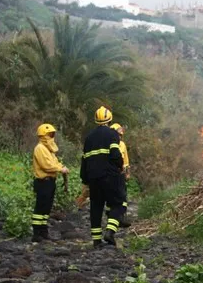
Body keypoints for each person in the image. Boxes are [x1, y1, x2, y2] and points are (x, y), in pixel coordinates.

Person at [80, 106, 125, 247]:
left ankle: (96, 240)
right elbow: (116, 155)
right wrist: (120, 166)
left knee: (96, 207)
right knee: (117, 204)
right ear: (110, 119)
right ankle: (110, 232)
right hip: (110, 176)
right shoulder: (112, 135)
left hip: (93, 178)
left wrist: (85, 179)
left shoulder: (88, 138)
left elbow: (84, 161)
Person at [31, 124, 69, 242]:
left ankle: (43, 232)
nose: (52, 137)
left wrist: (62, 167)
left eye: (53, 134)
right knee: (40, 208)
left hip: (50, 182)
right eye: (49, 134)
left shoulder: (49, 149)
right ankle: (36, 233)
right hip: (43, 182)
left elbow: (55, 162)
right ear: (43, 135)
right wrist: (60, 169)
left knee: (46, 208)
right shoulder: (40, 148)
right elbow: (46, 166)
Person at [110, 123, 131, 228]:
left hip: (120, 173)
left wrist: (127, 173)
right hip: (110, 173)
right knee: (113, 196)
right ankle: (112, 217)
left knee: (123, 195)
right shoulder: (108, 143)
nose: (119, 137)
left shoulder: (122, 145)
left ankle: (121, 216)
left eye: (121, 135)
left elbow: (126, 160)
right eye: (118, 134)